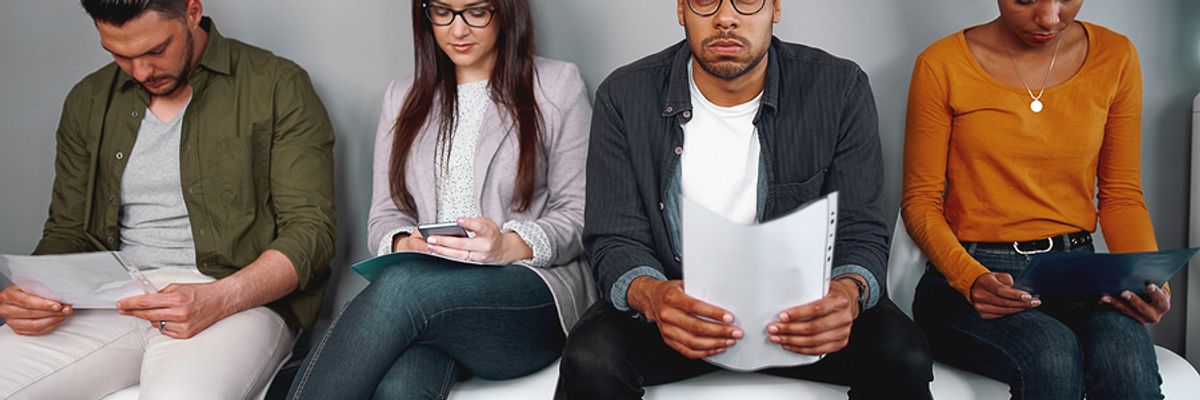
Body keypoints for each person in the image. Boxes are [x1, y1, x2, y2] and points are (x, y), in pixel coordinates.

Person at [554, 0, 934, 399]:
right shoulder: (625, 94)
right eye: (705, 1)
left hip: (802, 317)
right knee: (590, 359)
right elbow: (613, 236)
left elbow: (861, 229)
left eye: (748, 0)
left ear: (775, 8)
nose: (726, 18)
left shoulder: (839, 88)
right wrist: (652, 294)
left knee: (903, 355)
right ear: (682, 9)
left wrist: (846, 293)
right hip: (676, 313)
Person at [0, 0, 336, 399]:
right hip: (112, 298)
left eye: (155, 50)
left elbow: (311, 232)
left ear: (192, 11)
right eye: (120, 55)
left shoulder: (277, 84)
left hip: (236, 298)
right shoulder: (88, 100)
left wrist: (220, 298)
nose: (141, 71)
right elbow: (67, 231)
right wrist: (35, 291)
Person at [285, 0, 595, 398]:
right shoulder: (403, 97)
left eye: (476, 11)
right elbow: (385, 212)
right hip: (433, 303)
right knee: (401, 387)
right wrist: (403, 243)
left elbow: (580, 212)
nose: (458, 29)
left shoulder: (556, 86)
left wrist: (506, 245)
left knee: (402, 287)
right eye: (442, 11)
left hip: (527, 297)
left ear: (506, 11)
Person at [903, 1, 1167, 399]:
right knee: (1052, 356)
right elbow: (920, 201)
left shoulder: (1116, 56)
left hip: (1079, 272)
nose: (1049, 18)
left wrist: (1148, 282)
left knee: (1125, 360)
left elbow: (1121, 195)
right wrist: (970, 278)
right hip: (974, 275)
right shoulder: (941, 64)